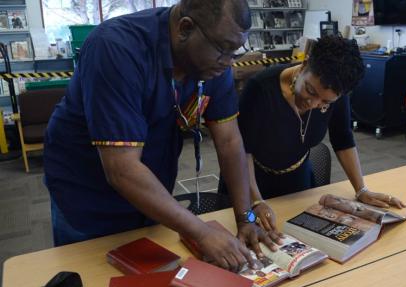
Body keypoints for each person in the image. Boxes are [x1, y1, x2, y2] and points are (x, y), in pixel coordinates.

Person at [44, 0, 277, 272]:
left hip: (150, 190)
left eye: (234, 52)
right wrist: (200, 232)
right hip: (88, 194)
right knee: (92, 277)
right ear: (184, 28)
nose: (228, 63)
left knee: (148, 278)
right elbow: (122, 169)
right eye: (223, 50)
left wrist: (246, 218)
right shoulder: (115, 47)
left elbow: (229, 141)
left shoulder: (213, 63)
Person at [236, 36, 406, 236]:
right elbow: (241, 150)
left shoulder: (336, 95)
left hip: (298, 182)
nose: (314, 104)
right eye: (310, 90)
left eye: (325, 101)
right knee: (251, 236)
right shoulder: (261, 89)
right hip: (250, 181)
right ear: (304, 65)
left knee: (302, 238)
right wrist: (256, 201)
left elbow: (343, 139)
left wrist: (362, 191)